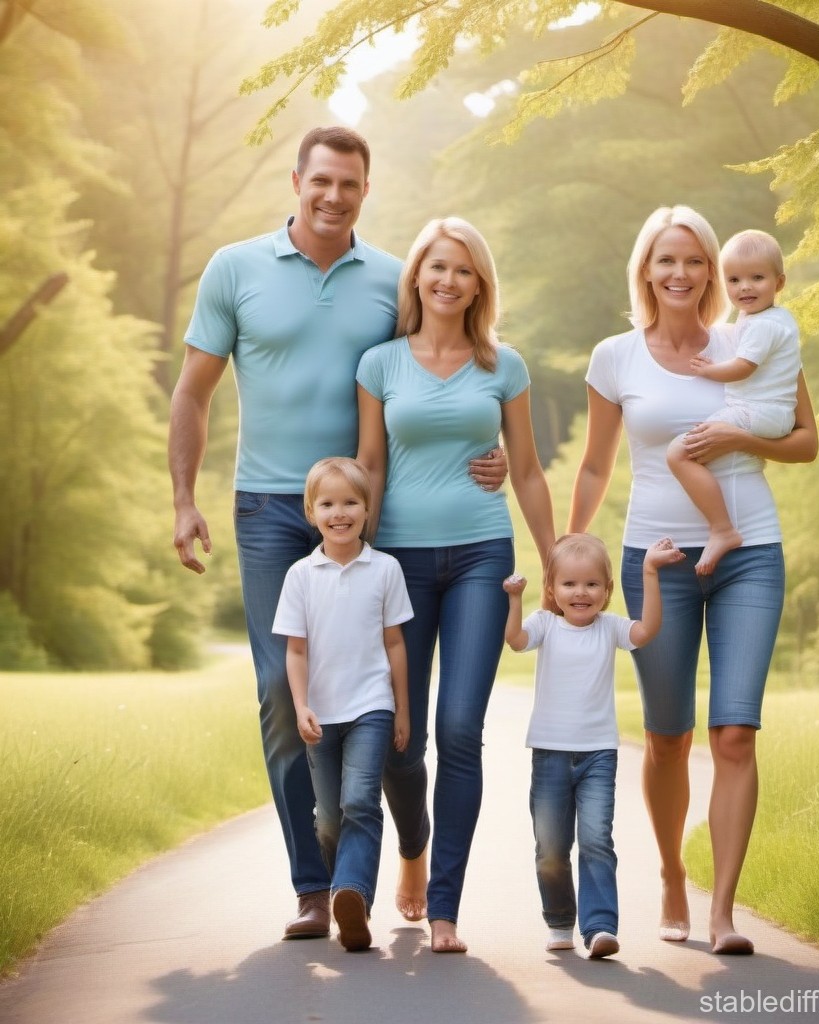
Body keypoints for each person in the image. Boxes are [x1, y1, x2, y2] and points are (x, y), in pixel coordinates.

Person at [168, 126, 506, 940]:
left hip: (370, 514)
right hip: (267, 512)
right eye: (320, 181)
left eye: (349, 184)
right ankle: (313, 886)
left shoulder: (394, 281)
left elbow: (438, 373)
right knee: (285, 695)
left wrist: (484, 449)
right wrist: (184, 499)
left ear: (365, 189)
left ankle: (407, 842)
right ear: (296, 180)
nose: (333, 196)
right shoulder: (235, 269)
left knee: (380, 703)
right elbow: (191, 393)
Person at [568, 205, 818, 956]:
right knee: (668, 736)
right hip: (658, 560)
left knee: (735, 733)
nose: (681, 273)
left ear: (715, 271)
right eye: (666, 260)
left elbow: (806, 440)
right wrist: (574, 545)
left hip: (751, 552)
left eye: (696, 261)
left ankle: (723, 912)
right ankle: (675, 875)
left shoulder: (757, 334)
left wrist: (743, 436)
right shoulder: (615, 356)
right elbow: (594, 462)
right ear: (645, 269)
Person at [356, 216, 556, 953]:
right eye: (436, 266)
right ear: (417, 276)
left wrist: (556, 557)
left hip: (480, 555)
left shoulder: (504, 365)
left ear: (480, 285)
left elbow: (526, 468)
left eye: (464, 270)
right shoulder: (380, 365)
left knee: (460, 732)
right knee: (400, 744)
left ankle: (445, 908)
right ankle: (413, 850)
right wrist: (357, 563)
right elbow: (370, 464)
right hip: (400, 563)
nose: (448, 280)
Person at [503, 534, 683, 960]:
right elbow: (514, 640)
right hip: (550, 753)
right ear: (552, 590)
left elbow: (649, 629)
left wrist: (651, 572)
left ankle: (601, 926)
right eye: (569, 584)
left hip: (599, 754)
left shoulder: (612, 628)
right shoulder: (546, 625)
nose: (580, 593)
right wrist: (514, 598)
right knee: (550, 847)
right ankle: (560, 918)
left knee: (597, 839)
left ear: (606, 591)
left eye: (590, 585)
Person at [272, 457, 413, 951]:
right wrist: (300, 705)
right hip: (321, 713)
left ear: (367, 509)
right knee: (328, 816)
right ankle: (344, 892)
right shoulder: (300, 575)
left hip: (372, 705)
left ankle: (353, 895)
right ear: (311, 512)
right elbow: (295, 650)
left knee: (359, 802)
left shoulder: (386, 569)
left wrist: (402, 709)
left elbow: (395, 644)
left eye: (350, 502)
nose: (340, 512)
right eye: (327, 503)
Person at [666, 228, 802, 575]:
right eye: (735, 279)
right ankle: (721, 525)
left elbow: (743, 367)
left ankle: (723, 529)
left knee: (679, 453)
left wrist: (710, 370)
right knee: (696, 449)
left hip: (758, 412)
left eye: (757, 278)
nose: (745, 287)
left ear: (779, 282)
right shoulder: (766, 319)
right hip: (768, 412)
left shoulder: (762, 326)